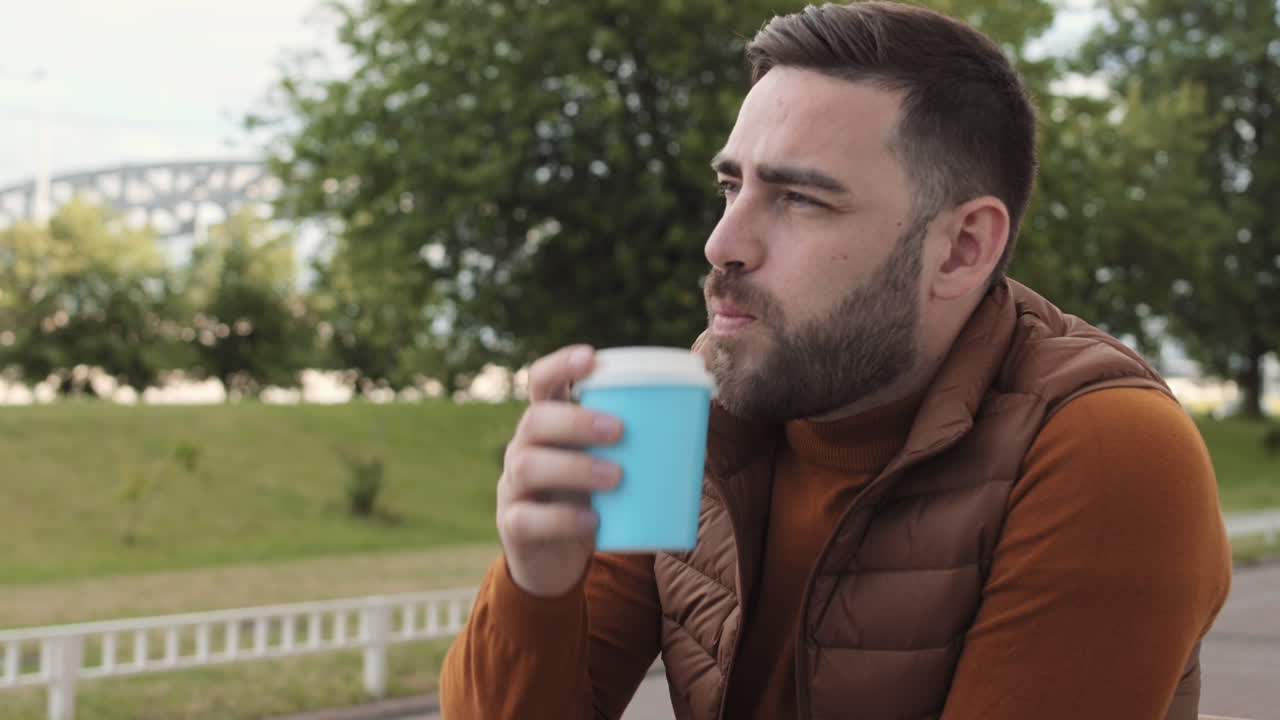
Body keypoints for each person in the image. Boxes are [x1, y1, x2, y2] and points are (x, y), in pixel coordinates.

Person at [440, 2, 1232, 718]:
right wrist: (536, 583)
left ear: (961, 249)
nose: (722, 244)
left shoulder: (1106, 448)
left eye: (799, 199)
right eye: (731, 187)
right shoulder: (707, 401)